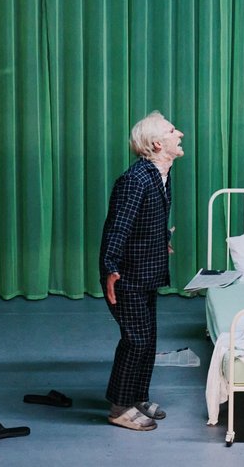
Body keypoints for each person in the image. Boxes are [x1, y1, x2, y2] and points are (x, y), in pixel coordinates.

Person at [99, 111, 184, 431]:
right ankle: (119, 407)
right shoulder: (135, 180)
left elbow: (146, 220)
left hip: (146, 270)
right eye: (173, 131)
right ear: (158, 144)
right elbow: (117, 227)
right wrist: (110, 268)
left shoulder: (161, 175)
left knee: (147, 339)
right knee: (135, 339)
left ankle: (137, 396)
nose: (180, 134)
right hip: (127, 276)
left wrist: (162, 240)